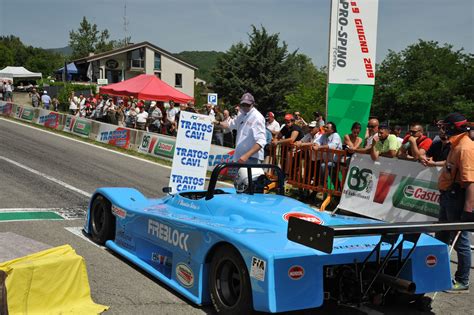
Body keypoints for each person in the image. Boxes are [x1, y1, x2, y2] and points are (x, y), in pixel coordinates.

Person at [436, 112, 474, 293]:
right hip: (448, 195)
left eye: (446, 125)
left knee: (460, 241)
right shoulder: (455, 144)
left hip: (456, 197)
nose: (443, 129)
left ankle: (462, 280)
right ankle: (439, 273)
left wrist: (468, 210)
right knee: (441, 236)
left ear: (453, 127)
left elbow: (470, 181)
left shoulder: (465, 148)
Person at [217, 92, 266, 164]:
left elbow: (261, 141)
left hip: (251, 158)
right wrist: (216, 122)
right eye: (243, 104)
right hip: (240, 157)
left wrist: (246, 156)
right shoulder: (242, 115)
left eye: (247, 104)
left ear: (252, 104)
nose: (245, 106)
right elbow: (230, 124)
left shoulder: (257, 117)